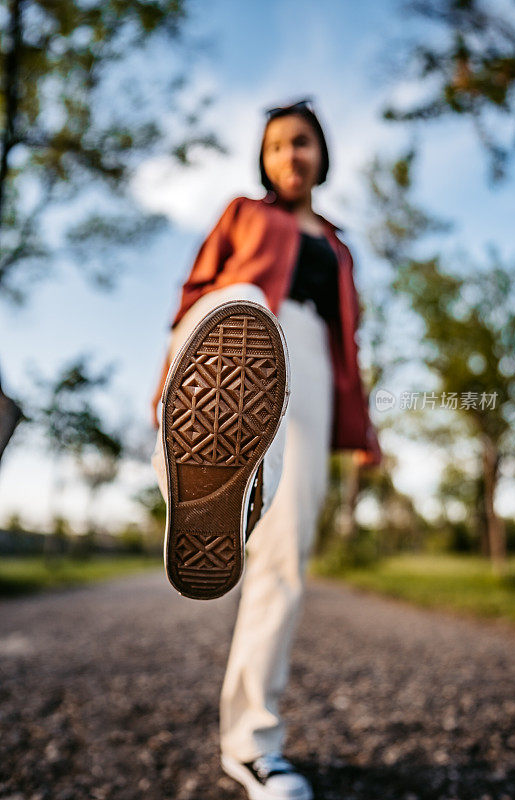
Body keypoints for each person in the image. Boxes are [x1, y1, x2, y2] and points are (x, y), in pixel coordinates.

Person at [151, 97, 381, 800]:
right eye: (278, 145)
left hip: (306, 367)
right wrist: (169, 386)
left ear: (320, 155)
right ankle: (198, 463)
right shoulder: (243, 215)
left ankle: (252, 744)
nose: (291, 156)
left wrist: (364, 433)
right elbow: (193, 292)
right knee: (238, 298)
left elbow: (348, 345)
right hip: (232, 341)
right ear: (264, 158)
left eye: (303, 143)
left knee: (284, 559)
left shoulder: (338, 247)